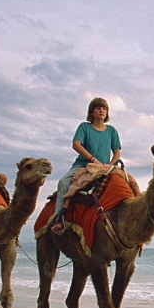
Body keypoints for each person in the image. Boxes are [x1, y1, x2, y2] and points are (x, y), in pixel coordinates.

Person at [51, 97, 122, 233]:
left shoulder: (111, 130)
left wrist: (109, 165)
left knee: (126, 185)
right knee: (63, 183)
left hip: (104, 168)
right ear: (91, 112)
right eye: (98, 108)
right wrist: (93, 160)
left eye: (104, 108)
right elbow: (76, 144)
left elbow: (117, 153)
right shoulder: (84, 127)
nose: (102, 110)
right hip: (83, 165)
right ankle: (59, 219)